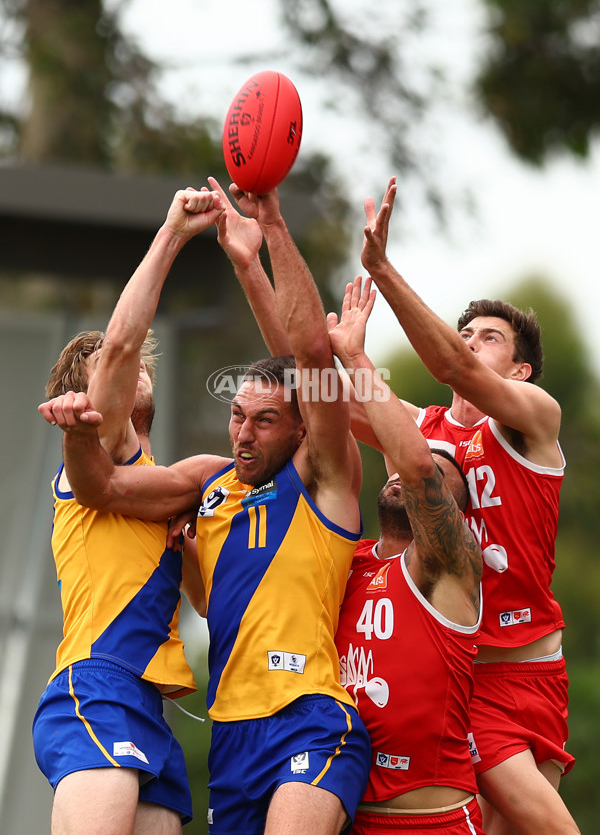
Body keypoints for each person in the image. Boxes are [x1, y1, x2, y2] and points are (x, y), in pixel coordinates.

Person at [38, 183, 372, 835]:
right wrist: (81, 436)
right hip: (121, 692)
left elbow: (306, 369)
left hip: (272, 712)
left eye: (263, 418)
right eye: (236, 415)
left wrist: (257, 252)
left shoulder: (237, 484)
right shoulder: (185, 480)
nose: (243, 432)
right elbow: (100, 482)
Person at [359, 177, 579, 835]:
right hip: (468, 677)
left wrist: (384, 271)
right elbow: (324, 386)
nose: (469, 339)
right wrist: (263, 252)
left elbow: (453, 364)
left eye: (490, 336)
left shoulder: (533, 420)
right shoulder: (419, 430)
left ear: (519, 372)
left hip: (538, 672)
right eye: (467, 330)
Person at [33, 187, 223, 835]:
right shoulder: (99, 447)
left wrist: (191, 543)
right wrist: (171, 234)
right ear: (83, 397)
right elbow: (118, 346)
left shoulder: (163, 484)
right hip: (98, 685)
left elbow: (210, 604)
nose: (129, 360)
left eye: (137, 359)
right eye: (107, 364)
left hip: (148, 704)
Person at [328, 276, 484, 835]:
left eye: (439, 474)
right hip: (350, 817)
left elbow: (417, 466)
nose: (404, 469)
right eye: (393, 462)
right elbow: (314, 400)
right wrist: (257, 255)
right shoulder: (348, 560)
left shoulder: (451, 564)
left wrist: (356, 356)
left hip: (432, 821)